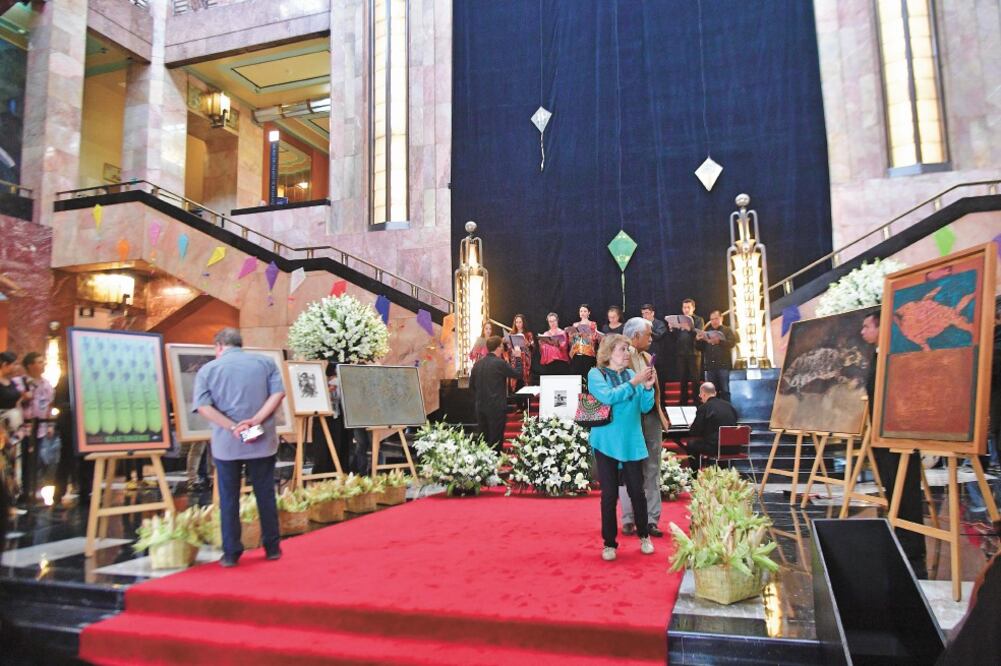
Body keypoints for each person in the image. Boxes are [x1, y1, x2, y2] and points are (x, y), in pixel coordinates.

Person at [194, 328, 286, 567]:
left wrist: (232, 426)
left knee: (228, 497)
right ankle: (272, 547)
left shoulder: (208, 370)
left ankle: (231, 553)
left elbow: (203, 407)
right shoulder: (265, 363)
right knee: (265, 493)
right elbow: (278, 395)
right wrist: (255, 420)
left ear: (220, 346)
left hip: (227, 443)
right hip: (261, 439)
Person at [861, 311, 927, 578]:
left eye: (867, 326)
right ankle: (900, 532)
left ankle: (911, 544)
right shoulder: (876, 358)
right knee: (892, 487)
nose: (863, 331)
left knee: (906, 489)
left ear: (880, 327)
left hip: (899, 433)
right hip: (881, 435)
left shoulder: (895, 358)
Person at [587, 334, 657, 561]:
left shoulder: (630, 375)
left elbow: (645, 408)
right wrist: (635, 383)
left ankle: (644, 535)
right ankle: (609, 544)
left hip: (631, 441)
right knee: (608, 494)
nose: (627, 353)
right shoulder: (596, 374)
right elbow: (607, 397)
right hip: (606, 441)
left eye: (628, 349)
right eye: (622, 349)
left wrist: (647, 388)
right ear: (608, 353)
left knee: (637, 492)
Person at [618, 318, 672, 538]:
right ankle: (629, 518)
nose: (651, 338)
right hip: (630, 418)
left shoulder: (648, 357)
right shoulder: (619, 356)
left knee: (652, 467)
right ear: (635, 336)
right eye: (648, 335)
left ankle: (651, 520)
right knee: (628, 468)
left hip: (651, 417)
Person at [469, 336, 520, 450]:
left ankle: (484, 464)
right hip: (496, 407)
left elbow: (471, 386)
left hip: (480, 407)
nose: (503, 348)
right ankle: (495, 464)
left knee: (484, 438)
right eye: (502, 345)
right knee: (495, 440)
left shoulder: (477, 364)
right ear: (499, 347)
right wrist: (518, 358)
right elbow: (517, 374)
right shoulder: (500, 363)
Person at [19, 352, 54, 506]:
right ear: (30, 365)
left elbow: (49, 406)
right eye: (39, 362)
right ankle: (23, 491)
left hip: (41, 427)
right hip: (22, 429)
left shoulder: (47, 385)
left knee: (38, 461)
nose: (42, 365)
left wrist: (50, 425)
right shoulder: (20, 383)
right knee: (24, 461)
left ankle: (35, 489)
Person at [683, 382, 738, 470]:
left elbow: (694, 431)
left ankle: (695, 475)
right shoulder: (729, 406)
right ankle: (723, 471)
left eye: (700, 395)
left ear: (703, 394)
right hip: (734, 447)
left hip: (716, 448)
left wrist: (693, 425)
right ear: (715, 393)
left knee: (691, 444)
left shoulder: (704, 408)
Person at [0, 352, 29, 503]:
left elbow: (16, 403)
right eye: (13, 364)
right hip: (2, 429)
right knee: (4, 464)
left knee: (14, 462)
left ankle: (12, 498)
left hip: (14, 428)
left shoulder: (11, 383)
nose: (16, 367)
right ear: (5, 365)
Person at [667, 299, 705, 405]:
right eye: (684, 307)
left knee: (695, 379)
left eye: (688, 307)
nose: (686, 310)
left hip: (694, 353)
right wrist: (671, 329)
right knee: (682, 378)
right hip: (681, 353)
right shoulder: (679, 319)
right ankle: (683, 400)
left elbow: (699, 333)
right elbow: (674, 338)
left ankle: (696, 400)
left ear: (693, 308)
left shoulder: (698, 319)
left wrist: (689, 328)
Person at [697, 310, 739, 402]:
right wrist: (698, 340)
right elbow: (700, 348)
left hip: (723, 366)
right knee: (711, 391)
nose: (714, 321)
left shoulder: (727, 330)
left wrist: (719, 341)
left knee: (725, 390)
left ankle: (726, 411)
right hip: (710, 367)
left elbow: (732, 343)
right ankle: (713, 412)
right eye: (711, 319)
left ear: (721, 318)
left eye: (716, 319)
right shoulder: (707, 332)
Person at [640, 303, 669, 390]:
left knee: (659, 381)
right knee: (646, 380)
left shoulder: (659, 324)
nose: (644, 316)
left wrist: (648, 328)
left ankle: (661, 402)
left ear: (653, 313)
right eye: (643, 314)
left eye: (647, 313)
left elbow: (658, 336)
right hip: (644, 356)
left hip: (657, 356)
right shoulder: (640, 325)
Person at [567, 304, 600, 379]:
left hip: (588, 353)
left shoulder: (592, 324)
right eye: (581, 311)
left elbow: (594, 338)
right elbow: (572, 341)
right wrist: (572, 336)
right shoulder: (575, 324)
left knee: (588, 376)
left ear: (589, 313)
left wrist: (586, 335)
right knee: (576, 377)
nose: (583, 313)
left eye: (585, 311)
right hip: (577, 353)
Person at [504, 314, 534, 391]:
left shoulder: (528, 334)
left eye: (520, 322)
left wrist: (528, 344)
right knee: (516, 382)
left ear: (523, 323)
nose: (518, 324)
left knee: (524, 383)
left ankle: (526, 401)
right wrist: (506, 341)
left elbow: (532, 348)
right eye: (516, 322)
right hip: (514, 361)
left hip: (525, 361)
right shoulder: (511, 334)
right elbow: (508, 349)